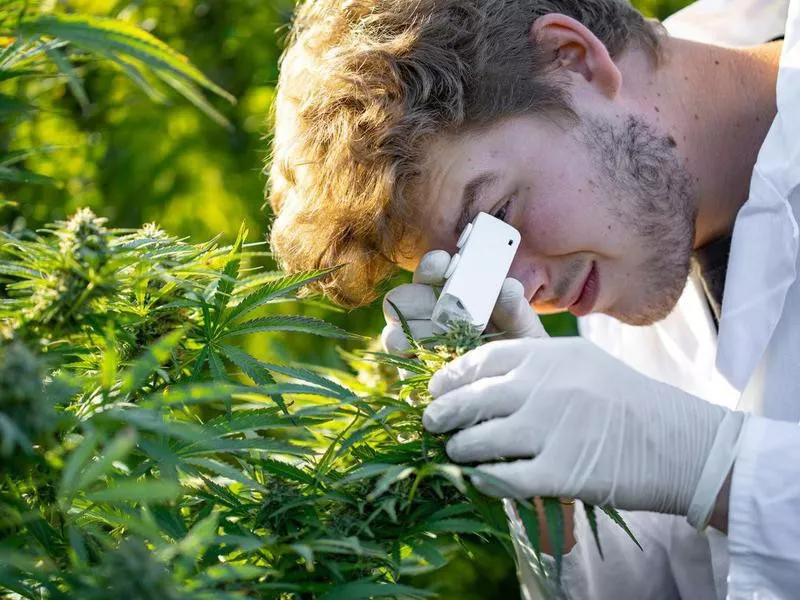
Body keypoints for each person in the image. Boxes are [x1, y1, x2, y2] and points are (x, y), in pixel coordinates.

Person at [266, 0, 799, 597]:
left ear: (570, 59)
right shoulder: (624, 271)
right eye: (482, 268)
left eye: (498, 217)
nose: (526, 289)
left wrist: (710, 467)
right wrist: (549, 499)